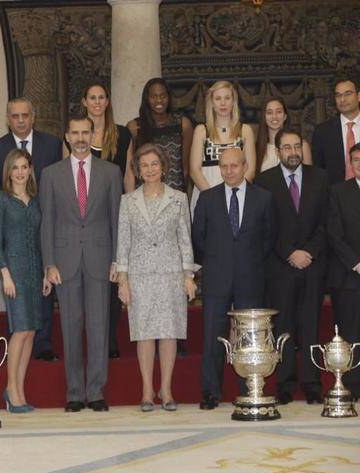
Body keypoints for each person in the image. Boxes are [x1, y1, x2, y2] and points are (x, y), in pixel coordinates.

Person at [40, 115, 122, 412]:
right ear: (67, 136)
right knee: (70, 328)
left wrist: (117, 259)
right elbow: (47, 221)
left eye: (85, 132)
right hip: (65, 262)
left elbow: (116, 219)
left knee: (99, 328)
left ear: (93, 134)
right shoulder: (51, 174)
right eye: (75, 133)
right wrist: (49, 263)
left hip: (100, 259)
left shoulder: (111, 172)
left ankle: (96, 392)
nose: (80, 138)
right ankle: (74, 393)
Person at [191, 148, 275, 410]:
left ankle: (248, 387)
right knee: (212, 336)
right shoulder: (207, 198)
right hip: (217, 278)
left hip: (250, 278)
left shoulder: (264, 198)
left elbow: (269, 238)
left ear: (245, 166)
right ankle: (211, 392)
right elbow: (198, 238)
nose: (228, 171)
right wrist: (218, 261)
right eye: (224, 166)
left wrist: (248, 261)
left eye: (234, 166)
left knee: (248, 337)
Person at [115, 144, 196, 412]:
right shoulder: (128, 201)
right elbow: (123, 242)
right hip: (140, 276)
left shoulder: (178, 199)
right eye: (144, 165)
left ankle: (167, 389)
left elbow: (185, 240)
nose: (150, 170)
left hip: (171, 274)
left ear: (163, 167)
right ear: (138, 171)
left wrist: (188, 276)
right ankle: (147, 390)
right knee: (145, 334)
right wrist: (123, 280)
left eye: (154, 164)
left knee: (169, 333)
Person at [0, 97, 62, 362]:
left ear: (33, 117)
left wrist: (48, 265)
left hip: (37, 256)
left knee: (36, 320)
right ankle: (13, 382)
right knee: (20, 327)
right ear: (8, 119)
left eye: (25, 115)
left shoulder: (52, 145)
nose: (20, 120)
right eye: (15, 116)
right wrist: (3, 271)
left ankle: (43, 345)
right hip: (13, 260)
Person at [255, 128, 327, 405]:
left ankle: (312, 384)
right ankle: (284, 384)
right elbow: (265, 226)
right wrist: (289, 253)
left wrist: (309, 252)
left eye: (297, 146)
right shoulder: (264, 181)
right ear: (277, 152)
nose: (293, 152)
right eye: (287, 148)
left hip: (312, 264)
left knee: (310, 325)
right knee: (283, 326)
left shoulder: (320, 177)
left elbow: (326, 222)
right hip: (281, 266)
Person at [68, 82, 132, 360]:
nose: (96, 102)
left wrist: (130, 211)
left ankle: (110, 339)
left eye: (101, 97)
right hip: (83, 220)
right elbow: (66, 178)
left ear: (107, 101)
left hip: (113, 215)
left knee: (111, 277)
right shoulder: (74, 135)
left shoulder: (123, 135)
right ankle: (87, 341)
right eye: (92, 97)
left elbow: (128, 176)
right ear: (85, 101)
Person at [0, 149, 49, 413]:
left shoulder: (36, 200)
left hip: (35, 270)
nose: (20, 172)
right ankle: (11, 389)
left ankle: (19, 391)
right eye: (15, 167)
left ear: (30, 170)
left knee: (32, 331)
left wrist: (46, 272)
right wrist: (4, 274)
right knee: (20, 329)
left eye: (24, 167)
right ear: (8, 171)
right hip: (13, 272)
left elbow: (41, 238)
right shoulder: (1, 199)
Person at [189, 80, 256, 214]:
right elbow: (194, 170)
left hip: (237, 196)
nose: (223, 103)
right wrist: (213, 198)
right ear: (212, 103)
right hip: (207, 195)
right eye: (218, 98)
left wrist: (234, 193)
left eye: (227, 98)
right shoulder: (201, 130)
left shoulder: (245, 130)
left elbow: (251, 169)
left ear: (233, 102)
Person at [326, 142, 360, 401]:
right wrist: (356, 263)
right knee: (350, 333)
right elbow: (334, 234)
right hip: (349, 276)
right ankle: (352, 385)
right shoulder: (338, 192)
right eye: (356, 160)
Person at [126, 78, 193, 193]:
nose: (159, 100)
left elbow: (186, 166)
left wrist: (185, 195)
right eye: (154, 96)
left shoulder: (183, 124)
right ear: (147, 99)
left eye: (163, 96)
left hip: (174, 193)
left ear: (169, 97)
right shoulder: (134, 127)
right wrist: (132, 196)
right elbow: (130, 168)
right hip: (144, 195)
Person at [312, 78, 360, 186]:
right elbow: (318, 171)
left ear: (358, 96)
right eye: (338, 95)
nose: (342, 99)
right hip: (335, 194)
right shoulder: (322, 132)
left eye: (348, 94)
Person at [255, 97, 312, 174]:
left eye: (278, 112)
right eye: (269, 113)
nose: (274, 116)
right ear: (264, 117)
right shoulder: (256, 149)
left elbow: (309, 177)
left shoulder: (302, 145)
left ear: (285, 116)